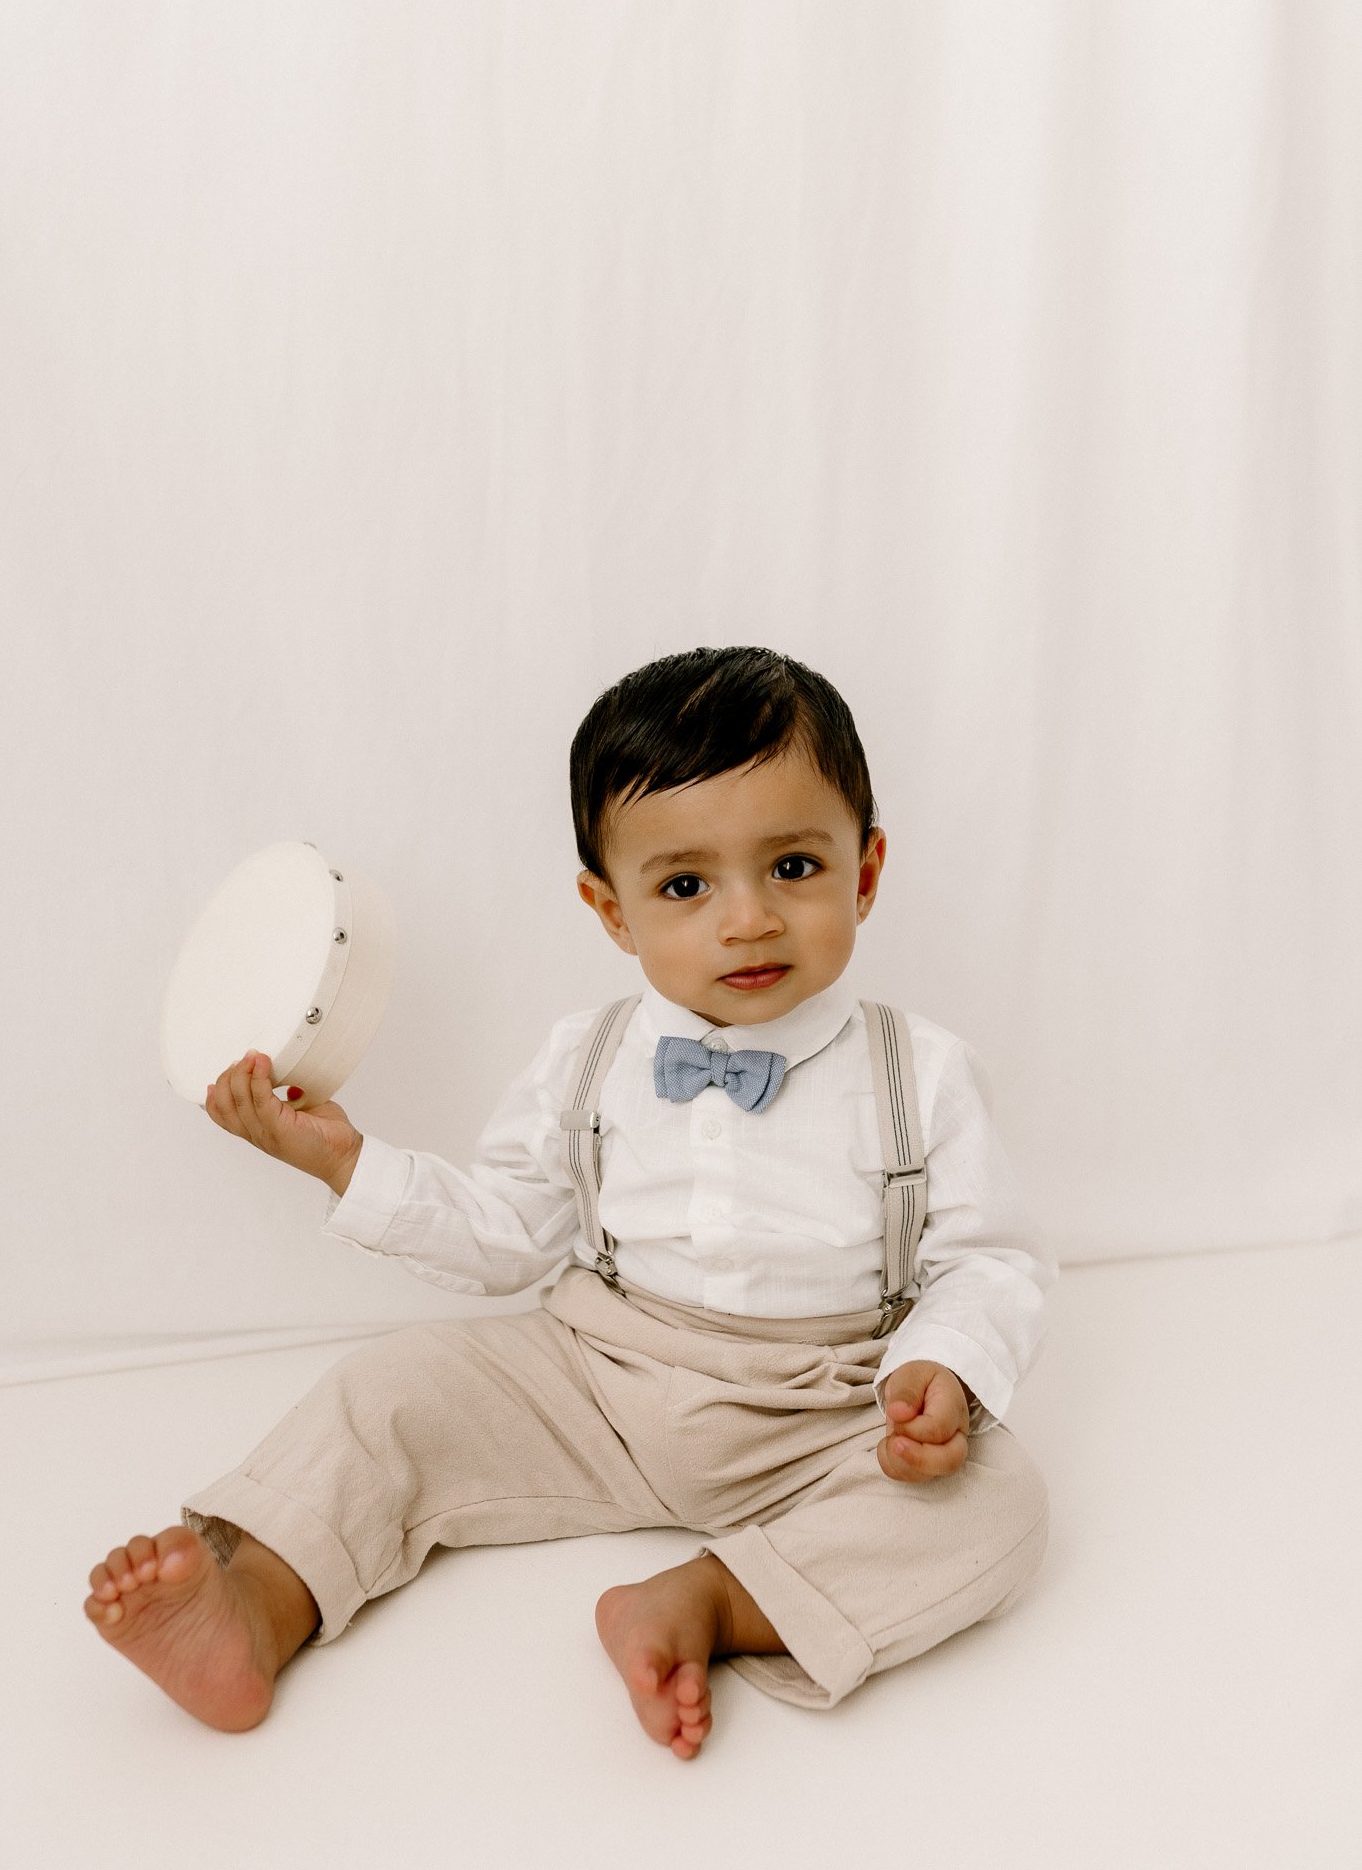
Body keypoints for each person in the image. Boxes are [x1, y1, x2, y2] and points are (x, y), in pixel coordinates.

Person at [83, 645, 1056, 1759]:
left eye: (792, 865)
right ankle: (257, 1595)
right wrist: (349, 1163)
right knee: (394, 1386)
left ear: (866, 870)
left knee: (1002, 1501)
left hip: (829, 1401)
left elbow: (993, 1256)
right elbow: (509, 1235)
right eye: (686, 884)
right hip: (602, 1375)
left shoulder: (918, 1068)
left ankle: (714, 1596)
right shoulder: (584, 1056)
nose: (747, 919)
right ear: (611, 909)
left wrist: (944, 1364)